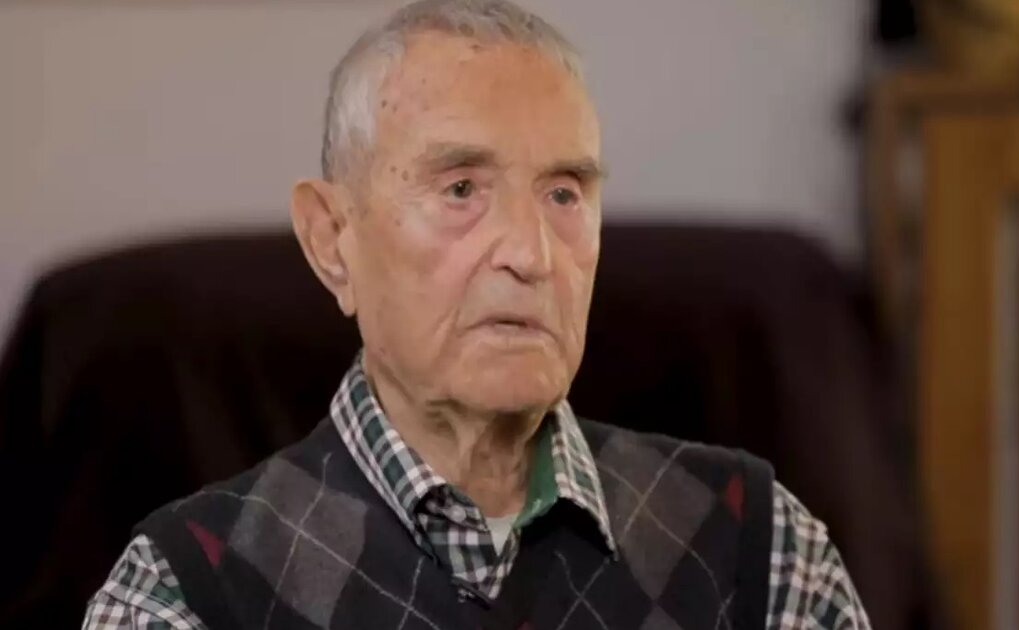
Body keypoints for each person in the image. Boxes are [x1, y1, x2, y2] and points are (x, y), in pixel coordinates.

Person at [82, 1, 872, 628]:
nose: (530, 253)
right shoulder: (185, 593)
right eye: (461, 189)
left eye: (564, 193)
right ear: (331, 240)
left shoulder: (758, 549)